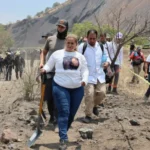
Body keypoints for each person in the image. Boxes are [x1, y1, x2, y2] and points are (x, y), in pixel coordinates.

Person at [41, 34, 89, 150]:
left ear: (76, 44)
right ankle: (63, 138)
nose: (70, 45)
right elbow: (49, 65)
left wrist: (84, 80)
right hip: (60, 86)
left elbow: (85, 70)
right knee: (64, 111)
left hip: (77, 88)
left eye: (73, 43)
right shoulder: (57, 54)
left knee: (71, 115)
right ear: (65, 43)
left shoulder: (80, 56)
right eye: (68, 43)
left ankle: (63, 131)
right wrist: (44, 69)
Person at [40, 19, 69, 130]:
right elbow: (44, 52)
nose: (60, 28)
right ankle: (52, 116)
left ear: (66, 28)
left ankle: (57, 119)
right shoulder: (51, 39)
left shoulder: (68, 40)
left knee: (58, 96)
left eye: (62, 27)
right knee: (49, 97)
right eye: (59, 26)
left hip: (62, 73)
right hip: (49, 71)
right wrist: (42, 63)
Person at [78, 30, 111, 123]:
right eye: (90, 38)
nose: (92, 40)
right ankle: (88, 115)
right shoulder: (82, 47)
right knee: (89, 94)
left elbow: (106, 57)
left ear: (96, 38)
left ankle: (94, 106)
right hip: (88, 76)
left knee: (102, 93)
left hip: (100, 75)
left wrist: (107, 62)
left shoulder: (101, 46)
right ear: (87, 37)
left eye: (94, 38)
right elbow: (78, 58)